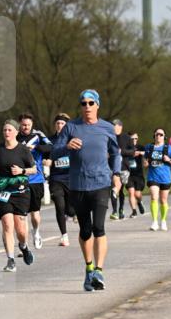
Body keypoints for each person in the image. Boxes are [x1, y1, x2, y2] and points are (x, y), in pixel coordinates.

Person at [50, 88, 121, 292]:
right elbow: (54, 152)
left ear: (97, 105)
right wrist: (66, 147)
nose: (87, 106)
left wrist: (115, 173)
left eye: (91, 103)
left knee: (99, 227)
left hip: (101, 183)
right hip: (78, 185)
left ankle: (99, 270)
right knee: (85, 230)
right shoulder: (71, 127)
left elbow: (115, 153)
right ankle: (89, 268)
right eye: (83, 103)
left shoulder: (107, 128)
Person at [0, 120, 37, 272]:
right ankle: (10, 260)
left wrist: (22, 171)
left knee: (21, 232)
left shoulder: (23, 150)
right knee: (7, 225)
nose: (6, 133)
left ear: (16, 132)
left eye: (10, 130)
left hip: (21, 193)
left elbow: (34, 170)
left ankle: (23, 246)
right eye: (4, 130)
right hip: (4, 192)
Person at [17, 113, 51, 248]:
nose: (26, 127)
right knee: (22, 214)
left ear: (32, 125)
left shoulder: (37, 136)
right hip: (20, 179)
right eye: (23, 125)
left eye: (28, 125)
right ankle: (23, 243)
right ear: (20, 124)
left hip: (36, 179)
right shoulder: (15, 136)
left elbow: (50, 147)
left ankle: (36, 232)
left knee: (35, 215)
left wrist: (36, 148)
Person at [47, 114, 75, 246]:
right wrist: (46, 160)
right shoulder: (50, 140)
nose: (59, 126)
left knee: (70, 210)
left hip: (70, 178)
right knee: (60, 206)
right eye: (57, 123)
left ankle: (72, 213)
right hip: (56, 178)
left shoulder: (73, 140)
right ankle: (64, 236)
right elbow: (44, 152)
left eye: (62, 124)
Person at [144, 128, 171, 231]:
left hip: (165, 177)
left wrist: (169, 160)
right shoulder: (149, 147)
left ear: (164, 137)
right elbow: (145, 160)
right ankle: (154, 222)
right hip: (153, 176)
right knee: (154, 197)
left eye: (161, 134)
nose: (158, 136)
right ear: (154, 136)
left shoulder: (169, 148)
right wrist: (145, 163)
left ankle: (163, 220)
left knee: (163, 200)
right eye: (157, 134)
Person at [109, 118, 133, 220]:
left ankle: (121, 209)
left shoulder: (126, 138)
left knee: (120, 189)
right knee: (114, 189)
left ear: (120, 127)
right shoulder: (109, 137)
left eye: (115, 125)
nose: (113, 127)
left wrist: (121, 151)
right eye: (112, 125)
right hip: (111, 167)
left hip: (124, 167)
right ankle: (114, 211)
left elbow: (132, 151)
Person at [125, 132, 146, 218]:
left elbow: (146, 153)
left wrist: (140, 153)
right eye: (132, 139)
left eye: (136, 139)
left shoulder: (140, 147)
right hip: (128, 173)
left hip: (138, 174)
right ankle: (134, 211)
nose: (134, 140)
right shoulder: (125, 147)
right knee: (131, 192)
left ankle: (140, 202)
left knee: (137, 194)